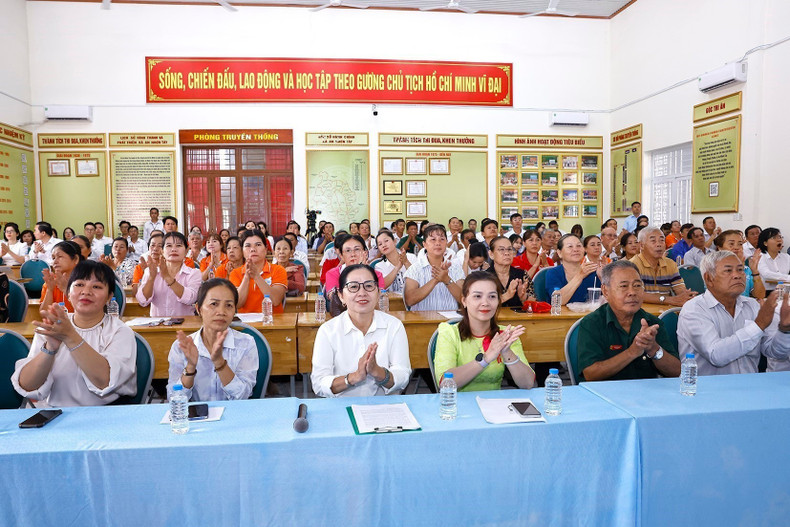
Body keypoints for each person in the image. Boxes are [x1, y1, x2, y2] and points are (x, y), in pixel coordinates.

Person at [11, 260, 137, 406]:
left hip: (108, 412)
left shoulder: (120, 331)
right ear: (69, 294)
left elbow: (105, 381)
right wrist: (50, 348)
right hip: (58, 413)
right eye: (79, 285)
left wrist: (70, 336)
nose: (86, 291)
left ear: (109, 297)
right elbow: (27, 385)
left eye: (96, 286)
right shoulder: (54, 327)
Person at [678, 251, 790, 375]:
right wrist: (758, 326)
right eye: (728, 271)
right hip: (709, 386)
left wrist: (784, 330)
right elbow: (715, 355)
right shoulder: (694, 309)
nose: (737, 275)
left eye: (740, 270)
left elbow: (775, 353)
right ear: (709, 278)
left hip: (750, 384)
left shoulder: (752, 305)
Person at [311, 264, 412, 397]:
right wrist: (353, 377)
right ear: (341, 296)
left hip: (385, 406)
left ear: (378, 292)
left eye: (369, 286)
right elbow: (319, 383)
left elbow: (403, 375)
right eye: (353, 287)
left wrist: (378, 372)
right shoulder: (328, 331)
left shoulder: (394, 326)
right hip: (342, 406)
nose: (362, 293)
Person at [577, 260, 680, 382]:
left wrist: (653, 348)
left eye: (637, 286)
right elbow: (590, 374)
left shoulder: (652, 324)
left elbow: (677, 372)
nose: (632, 292)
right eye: (623, 286)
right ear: (605, 291)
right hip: (605, 392)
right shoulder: (592, 323)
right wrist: (632, 352)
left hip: (646, 391)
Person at [433, 271, 535, 391]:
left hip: (494, 402)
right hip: (456, 402)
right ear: (464, 301)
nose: (485, 303)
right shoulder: (449, 332)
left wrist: (507, 352)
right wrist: (485, 359)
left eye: (492, 296)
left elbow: (527, 383)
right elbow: (445, 383)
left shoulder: (506, 334)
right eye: (477, 296)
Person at [167, 278, 259, 401]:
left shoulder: (246, 343)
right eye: (214, 304)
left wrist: (220, 363)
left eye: (229, 305)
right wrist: (190, 368)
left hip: (234, 412)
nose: (221, 312)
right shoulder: (182, 347)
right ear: (199, 309)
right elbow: (174, 398)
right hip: (196, 413)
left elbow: (242, 396)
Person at [136, 231, 202, 317]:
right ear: (162, 251)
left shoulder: (194, 273)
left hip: (185, 324)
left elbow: (191, 299)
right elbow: (142, 301)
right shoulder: (151, 271)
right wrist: (151, 278)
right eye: (169, 246)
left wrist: (167, 277)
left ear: (186, 251)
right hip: (158, 324)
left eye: (178, 245)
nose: (173, 249)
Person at [404, 224, 465, 311]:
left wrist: (446, 279)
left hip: (451, 318)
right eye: (433, 239)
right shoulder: (415, 268)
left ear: (446, 243)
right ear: (424, 244)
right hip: (422, 319)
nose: (438, 243)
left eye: (442, 239)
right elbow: (409, 300)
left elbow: (464, 299)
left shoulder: (455, 267)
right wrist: (436, 279)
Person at [630, 227, 695, 306]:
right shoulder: (632, 266)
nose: (659, 244)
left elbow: (679, 288)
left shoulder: (670, 264)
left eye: (662, 240)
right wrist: (669, 300)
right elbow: (637, 294)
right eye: (653, 241)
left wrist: (686, 296)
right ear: (641, 245)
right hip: (641, 311)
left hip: (666, 311)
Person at [229, 229, 287, 314]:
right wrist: (246, 277)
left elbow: (275, 300)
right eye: (248, 246)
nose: (253, 249)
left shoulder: (278, 270)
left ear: (266, 249)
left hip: (273, 321)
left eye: (258, 245)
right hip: (246, 322)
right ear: (242, 251)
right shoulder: (235, 273)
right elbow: (238, 304)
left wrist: (256, 276)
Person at [325, 234, 385, 314]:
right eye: (348, 251)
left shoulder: (377, 275)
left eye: (357, 249)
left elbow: (378, 302)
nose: (353, 254)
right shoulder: (332, 274)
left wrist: (363, 271)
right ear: (341, 256)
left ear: (365, 253)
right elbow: (336, 300)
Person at [544, 234, 598, 305]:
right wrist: (580, 276)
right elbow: (558, 301)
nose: (576, 250)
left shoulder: (592, 272)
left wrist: (603, 277)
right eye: (570, 246)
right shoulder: (553, 273)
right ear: (559, 253)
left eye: (579, 246)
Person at [714, 229, 765, 299]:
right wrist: (738, 268)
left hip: (744, 305)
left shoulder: (746, 269)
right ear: (720, 248)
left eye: (740, 244)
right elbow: (725, 296)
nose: (736, 247)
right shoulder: (713, 268)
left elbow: (760, 295)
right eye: (731, 244)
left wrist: (755, 272)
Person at [487, 236, 533, 307]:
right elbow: (482, 303)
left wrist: (523, 298)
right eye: (501, 249)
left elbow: (535, 303)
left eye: (509, 249)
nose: (507, 253)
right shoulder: (483, 277)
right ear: (491, 254)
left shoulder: (522, 274)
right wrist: (507, 295)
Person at [40, 241, 84, 312]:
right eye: (53, 258)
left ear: (76, 259)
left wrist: (66, 289)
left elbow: (85, 312)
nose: (55, 262)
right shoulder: (51, 283)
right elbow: (44, 313)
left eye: (60, 256)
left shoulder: (85, 282)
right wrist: (50, 290)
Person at [756, 228, 790, 293]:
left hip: (784, 291)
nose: (779, 240)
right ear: (765, 243)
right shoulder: (759, 257)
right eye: (774, 238)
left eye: (780, 237)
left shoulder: (786, 257)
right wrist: (788, 278)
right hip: (765, 293)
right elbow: (767, 274)